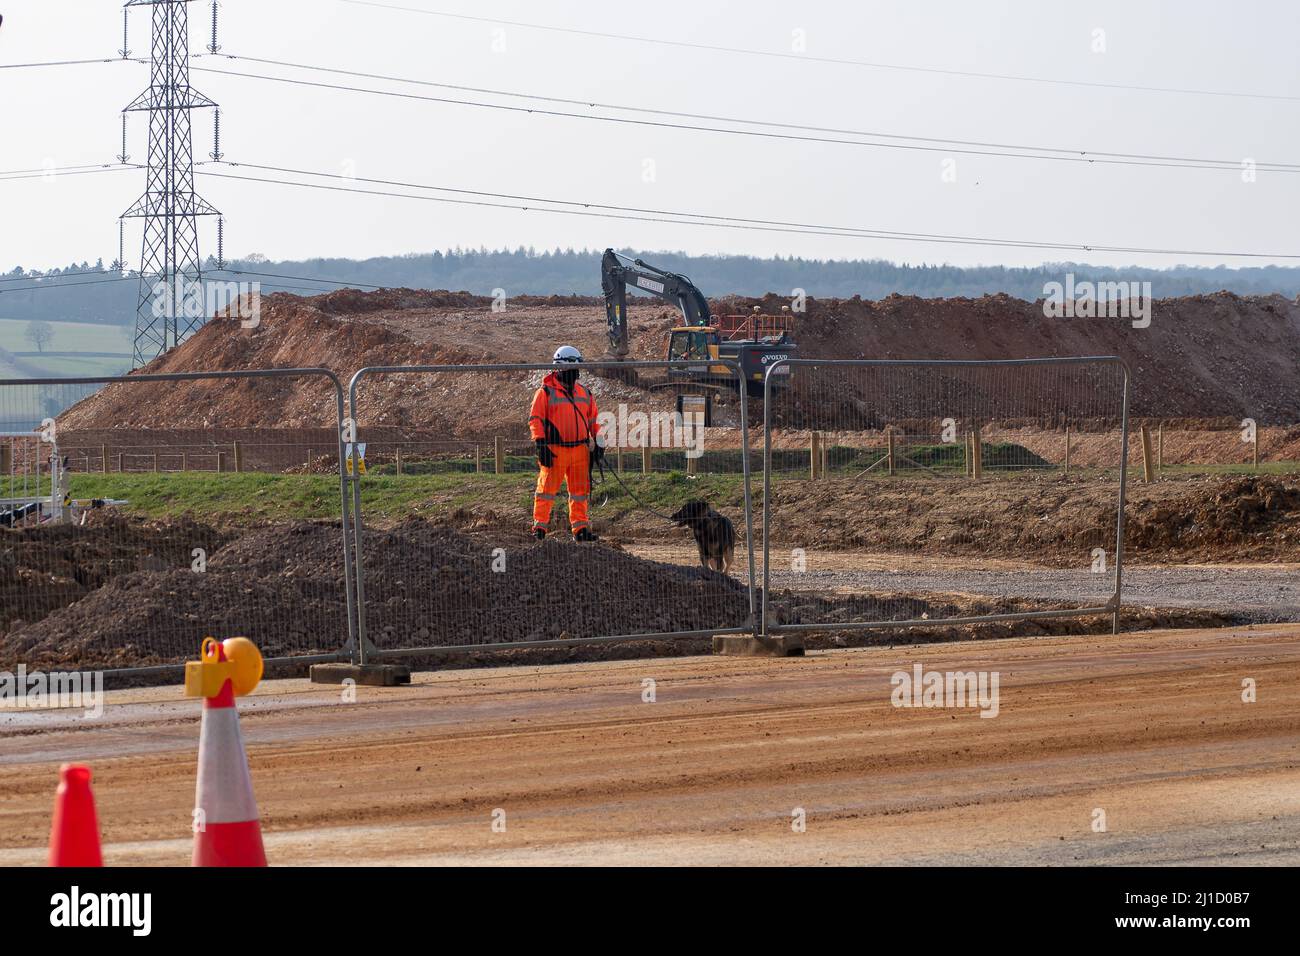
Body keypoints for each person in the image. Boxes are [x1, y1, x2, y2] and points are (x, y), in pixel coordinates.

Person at [528, 345, 605, 541]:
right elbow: (535, 419)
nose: (575, 374)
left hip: (580, 449)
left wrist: (599, 441)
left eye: (576, 370)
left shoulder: (585, 394)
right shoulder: (544, 393)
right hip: (554, 450)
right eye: (573, 370)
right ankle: (539, 529)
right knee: (546, 491)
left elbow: (593, 421)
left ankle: (580, 529)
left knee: (580, 492)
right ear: (560, 369)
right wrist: (540, 444)